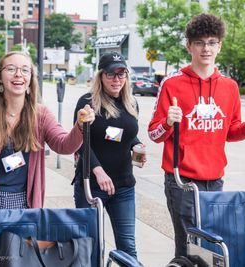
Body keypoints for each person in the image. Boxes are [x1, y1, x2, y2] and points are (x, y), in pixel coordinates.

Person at [0, 51, 95, 256]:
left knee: (19, 257)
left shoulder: (40, 115)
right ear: (0, 78)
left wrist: (81, 126)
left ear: (30, 80)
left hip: (23, 202)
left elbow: (63, 145)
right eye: (11, 69)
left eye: (24, 70)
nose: (18, 75)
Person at [147, 13, 245, 258]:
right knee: (188, 246)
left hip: (215, 180)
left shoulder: (229, 87)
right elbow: (153, 134)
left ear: (219, 46)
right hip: (182, 181)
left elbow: (230, 132)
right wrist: (168, 122)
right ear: (189, 45)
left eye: (212, 42)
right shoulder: (171, 84)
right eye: (199, 42)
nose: (206, 48)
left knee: (211, 245)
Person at [72, 51, 146, 260]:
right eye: (112, 74)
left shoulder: (131, 103)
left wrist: (137, 144)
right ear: (101, 76)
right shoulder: (87, 103)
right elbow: (79, 141)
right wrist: (97, 170)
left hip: (123, 186)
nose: (117, 80)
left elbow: (126, 134)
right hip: (91, 186)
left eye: (122, 74)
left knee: (128, 248)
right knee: (91, 246)